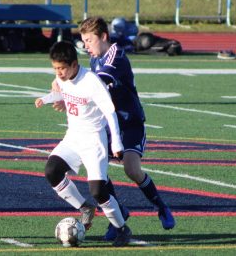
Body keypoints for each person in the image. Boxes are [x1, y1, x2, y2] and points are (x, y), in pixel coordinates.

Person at [59, 17, 176, 241]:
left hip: (129, 122)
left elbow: (99, 81)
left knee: (132, 169)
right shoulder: (95, 59)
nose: (86, 46)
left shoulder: (116, 56)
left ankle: (161, 206)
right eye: (83, 41)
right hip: (107, 124)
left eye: (89, 41)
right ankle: (118, 214)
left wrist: (68, 85)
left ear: (103, 37)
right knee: (98, 172)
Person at [35, 41, 132, 247]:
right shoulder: (62, 77)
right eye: (55, 68)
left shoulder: (91, 81)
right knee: (52, 171)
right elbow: (64, 91)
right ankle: (85, 208)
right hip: (73, 137)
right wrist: (46, 98)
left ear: (74, 64)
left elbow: (110, 112)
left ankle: (122, 229)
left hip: (94, 140)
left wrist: (116, 143)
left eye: (62, 68)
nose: (58, 73)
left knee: (98, 191)